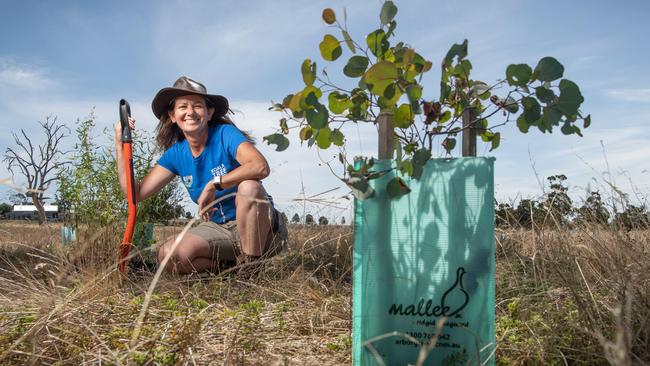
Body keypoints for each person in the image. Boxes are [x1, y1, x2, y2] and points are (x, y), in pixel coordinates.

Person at [114, 76, 287, 274]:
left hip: (260, 228)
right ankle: (232, 270)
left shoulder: (224, 134)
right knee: (167, 255)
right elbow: (133, 194)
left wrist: (214, 183)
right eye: (182, 107)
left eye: (197, 106)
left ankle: (252, 270)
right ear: (172, 115)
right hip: (220, 229)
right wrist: (120, 146)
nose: (190, 112)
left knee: (249, 187)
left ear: (209, 112)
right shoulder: (176, 154)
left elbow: (260, 166)